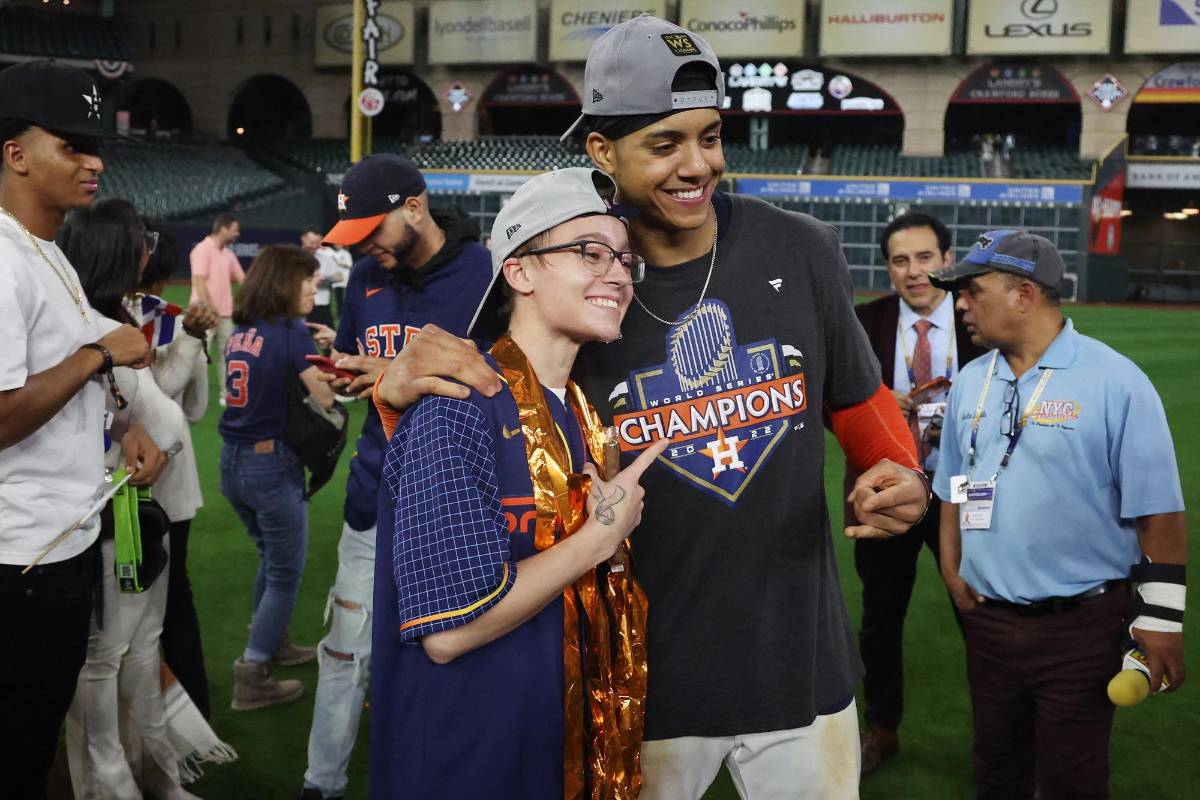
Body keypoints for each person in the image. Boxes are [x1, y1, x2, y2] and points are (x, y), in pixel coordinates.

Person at [374, 15, 930, 799]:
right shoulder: (580, 292)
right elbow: (472, 409)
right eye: (665, 144)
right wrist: (397, 399)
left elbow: (860, 398)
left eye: (710, 136)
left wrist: (899, 471)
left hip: (799, 666)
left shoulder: (800, 248)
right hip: (637, 678)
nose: (697, 164)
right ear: (602, 151)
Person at [371, 166, 667, 798]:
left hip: (547, 749)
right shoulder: (457, 404)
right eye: (589, 252)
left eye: (622, 258)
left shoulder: (581, 415)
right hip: (464, 761)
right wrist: (598, 539)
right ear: (520, 270)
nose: (616, 273)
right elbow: (447, 634)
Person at [930, 230, 1187, 799]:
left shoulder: (1117, 381)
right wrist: (951, 566)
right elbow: (952, 484)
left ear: (1024, 293)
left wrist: (1163, 622)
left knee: (1072, 781)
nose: (961, 305)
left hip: (1082, 627)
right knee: (996, 772)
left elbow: (1161, 515)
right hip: (989, 623)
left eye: (972, 291)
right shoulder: (973, 378)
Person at [298, 153, 492, 800]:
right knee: (345, 651)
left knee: (449, 654)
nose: (367, 249)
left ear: (415, 207)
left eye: (373, 231)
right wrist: (355, 374)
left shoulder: (484, 276)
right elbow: (365, 364)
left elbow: (503, 391)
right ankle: (319, 784)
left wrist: (389, 376)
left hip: (456, 508)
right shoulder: (362, 281)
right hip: (373, 495)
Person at [0, 59, 163, 799]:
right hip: (19, 563)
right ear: (16, 153)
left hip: (59, 542)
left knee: (34, 744)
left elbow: (70, 378)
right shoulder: (4, 260)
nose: (93, 160)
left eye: (95, 143)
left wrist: (122, 419)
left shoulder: (50, 253)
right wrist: (102, 351)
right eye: (70, 143)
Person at [58, 197, 199, 800]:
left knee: (133, 651)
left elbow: (167, 423)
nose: (148, 248)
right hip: (88, 516)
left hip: (128, 510)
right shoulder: (87, 327)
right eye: (137, 239)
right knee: (106, 658)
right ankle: (117, 786)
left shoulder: (102, 323)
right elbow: (166, 422)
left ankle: (150, 779)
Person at [849, 211, 986, 775]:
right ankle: (882, 728)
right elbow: (836, 403)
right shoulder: (863, 322)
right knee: (881, 617)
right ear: (888, 267)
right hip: (886, 496)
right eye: (900, 260)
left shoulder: (979, 314)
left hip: (968, 492)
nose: (914, 271)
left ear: (947, 260)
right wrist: (880, 406)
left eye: (925, 258)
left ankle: (996, 737)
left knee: (980, 613)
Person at [218, 245, 335, 710]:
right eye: (307, 279)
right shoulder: (291, 333)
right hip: (270, 464)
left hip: (233, 462)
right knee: (286, 571)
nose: (314, 286)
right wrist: (341, 365)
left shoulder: (244, 331)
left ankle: (272, 640)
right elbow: (325, 399)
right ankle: (253, 671)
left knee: (272, 556)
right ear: (286, 281)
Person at [140, 219, 218, 718]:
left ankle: (166, 720)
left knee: (145, 610)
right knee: (172, 604)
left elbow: (157, 404)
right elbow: (195, 407)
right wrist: (190, 343)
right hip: (170, 486)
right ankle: (193, 712)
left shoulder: (121, 318)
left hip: (142, 485)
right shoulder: (174, 317)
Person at [190, 212, 244, 405]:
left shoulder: (228, 254)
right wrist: (210, 309)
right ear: (223, 228)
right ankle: (194, 397)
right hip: (203, 313)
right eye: (235, 230)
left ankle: (226, 393)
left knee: (227, 355)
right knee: (197, 356)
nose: (237, 234)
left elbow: (242, 280)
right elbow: (199, 282)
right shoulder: (202, 250)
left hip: (226, 315)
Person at [300, 226, 344, 331]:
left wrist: (325, 279)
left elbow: (339, 276)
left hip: (322, 306)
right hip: (299, 306)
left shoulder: (325, 258)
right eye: (311, 242)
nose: (314, 246)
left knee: (331, 341)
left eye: (317, 243)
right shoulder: (292, 258)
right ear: (303, 239)